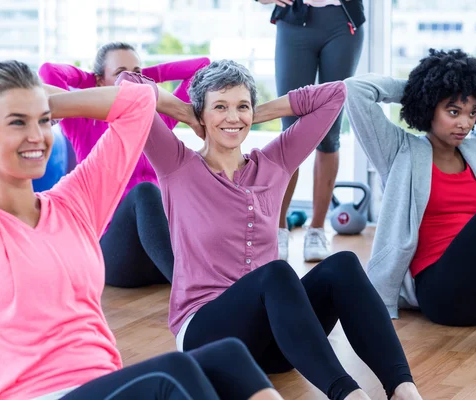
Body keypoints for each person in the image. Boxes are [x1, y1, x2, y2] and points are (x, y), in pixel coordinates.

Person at [0, 60, 282, 400]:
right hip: (28, 393)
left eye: (43, 120)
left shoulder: (74, 203)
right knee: (175, 374)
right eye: (16, 122)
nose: (37, 136)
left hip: (104, 384)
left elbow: (137, 102)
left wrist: (44, 103)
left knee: (229, 356)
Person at [117, 61, 422, 400]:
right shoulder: (177, 165)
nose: (233, 117)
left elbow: (335, 94)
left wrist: (255, 114)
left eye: (241, 106)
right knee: (274, 274)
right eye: (220, 107)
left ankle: (403, 389)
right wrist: (188, 113)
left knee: (343, 266)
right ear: (202, 113)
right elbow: (127, 86)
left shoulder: (274, 162)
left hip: (275, 341)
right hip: (207, 335)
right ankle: (348, 395)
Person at [344, 48, 476, 326]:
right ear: (429, 106)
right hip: (446, 294)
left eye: (472, 113)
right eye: (453, 111)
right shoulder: (399, 151)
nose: (465, 123)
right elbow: (355, 90)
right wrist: (421, 89)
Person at [39, 42, 210, 287]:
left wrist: (141, 81)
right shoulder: (82, 121)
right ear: (99, 81)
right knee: (145, 193)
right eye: (120, 73)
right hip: (116, 255)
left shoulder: (157, 119)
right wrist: (93, 81)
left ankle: (199, 282)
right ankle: (193, 292)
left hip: (162, 250)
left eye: (137, 72)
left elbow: (202, 66)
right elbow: (48, 71)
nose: (130, 79)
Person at [256, 0, 365, 261]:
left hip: (343, 22)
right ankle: (278, 230)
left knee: (329, 131)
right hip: (294, 23)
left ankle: (316, 230)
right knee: (290, 130)